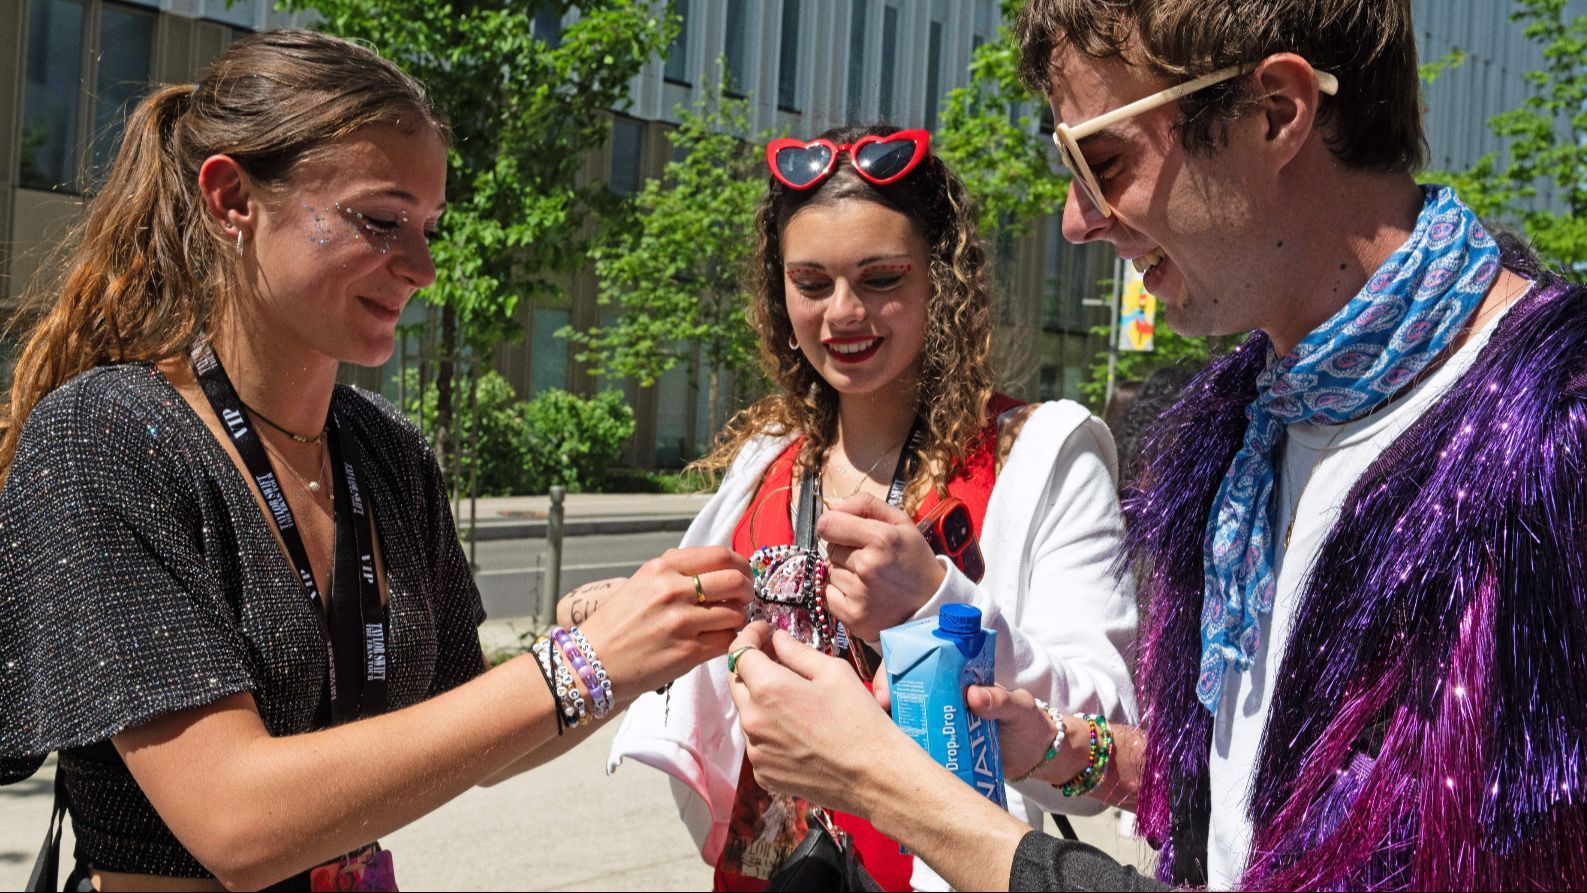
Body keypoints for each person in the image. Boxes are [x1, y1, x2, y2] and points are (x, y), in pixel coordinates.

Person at [724, 0, 1587, 890]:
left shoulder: (1555, 434)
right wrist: (1079, 751)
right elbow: (1254, 802)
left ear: (1275, 113)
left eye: (1102, 161)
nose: (1076, 219)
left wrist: (888, 786)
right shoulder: (1239, 433)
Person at [0, 30, 751, 891]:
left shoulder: (385, 447)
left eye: (428, 227)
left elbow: (469, 735)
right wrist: (580, 665)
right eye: (381, 222)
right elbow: (237, 824)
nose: (423, 267)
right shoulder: (107, 435)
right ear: (231, 198)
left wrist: (638, 645)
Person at [569, 124, 1138, 892]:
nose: (842, 312)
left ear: (941, 280)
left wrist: (933, 604)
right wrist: (637, 611)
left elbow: (1106, 727)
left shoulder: (1040, 453)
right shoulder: (767, 459)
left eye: (880, 278)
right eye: (810, 282)